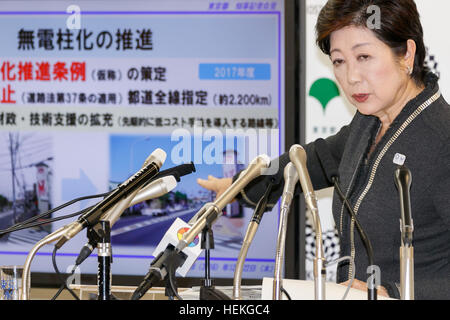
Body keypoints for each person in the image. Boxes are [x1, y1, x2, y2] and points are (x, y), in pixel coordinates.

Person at [197, 0, 450, 300]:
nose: (351, 77)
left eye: (364, 56)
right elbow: (308, 161)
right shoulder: (369, 122)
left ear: (407, 54)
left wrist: (390, 292)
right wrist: (240, 185)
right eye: (339, 61)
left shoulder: (442, 140)